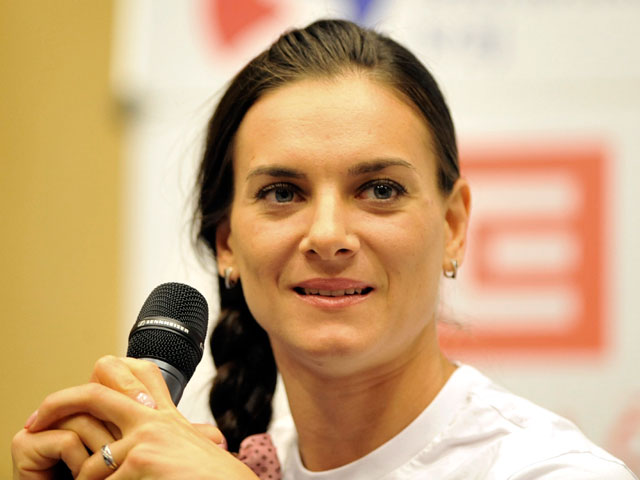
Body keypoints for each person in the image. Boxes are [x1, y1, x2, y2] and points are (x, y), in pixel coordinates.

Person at [11, 19, 636, 480]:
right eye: (283, 193)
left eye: (380, 189)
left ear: (452, 226)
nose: (330, 236)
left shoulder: (552, 470)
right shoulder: (208, 461)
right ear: (227, 243)